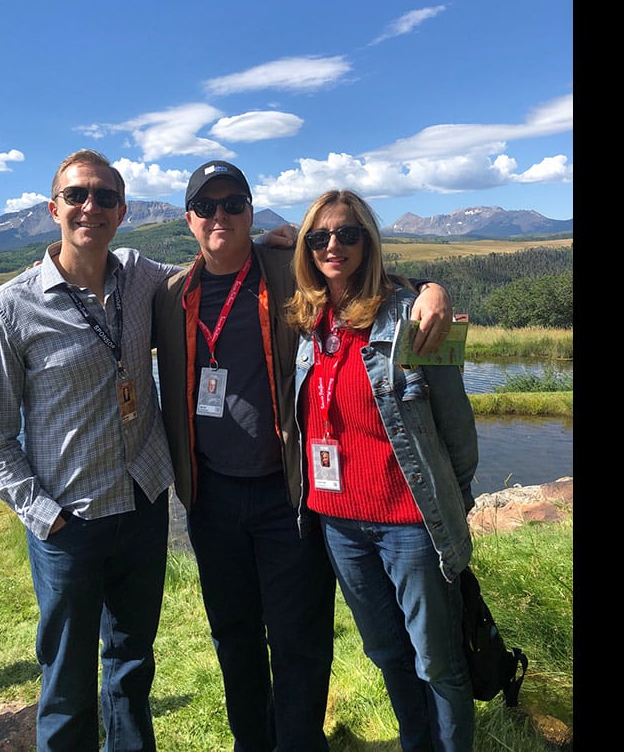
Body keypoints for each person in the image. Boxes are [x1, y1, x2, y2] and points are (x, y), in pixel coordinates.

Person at [152, 162, 453, 752]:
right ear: (189, 219)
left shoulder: (285, 271)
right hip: (209, 495)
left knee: (299, 637)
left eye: (234, 203)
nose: (221, 216)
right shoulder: (168, 295)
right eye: (207, 207)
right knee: (233, 635)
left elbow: (360, 277)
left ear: (251, 211)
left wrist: (429, 288)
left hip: (287, 493)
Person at [0, 148, 188, 752]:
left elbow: (215, 264)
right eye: (77, 195)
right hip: (68, 522)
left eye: (105, 197)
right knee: (66, 685)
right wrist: (49, 519)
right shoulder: (9, 309)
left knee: (131, 667)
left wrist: (285, 244)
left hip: (144, 504)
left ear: (122, 212)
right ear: (54, 208)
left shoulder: (143, 275)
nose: (91, 206)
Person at [284, 189, 479, 752]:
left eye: (347, 234)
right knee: (387, 652)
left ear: (369, 241)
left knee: (436, 660)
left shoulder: (411, 315)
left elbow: (458, 431)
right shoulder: (308, 318)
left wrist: (451, 499)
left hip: (408, 522)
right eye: (319, 237)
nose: (333, 247)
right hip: (338, 524)